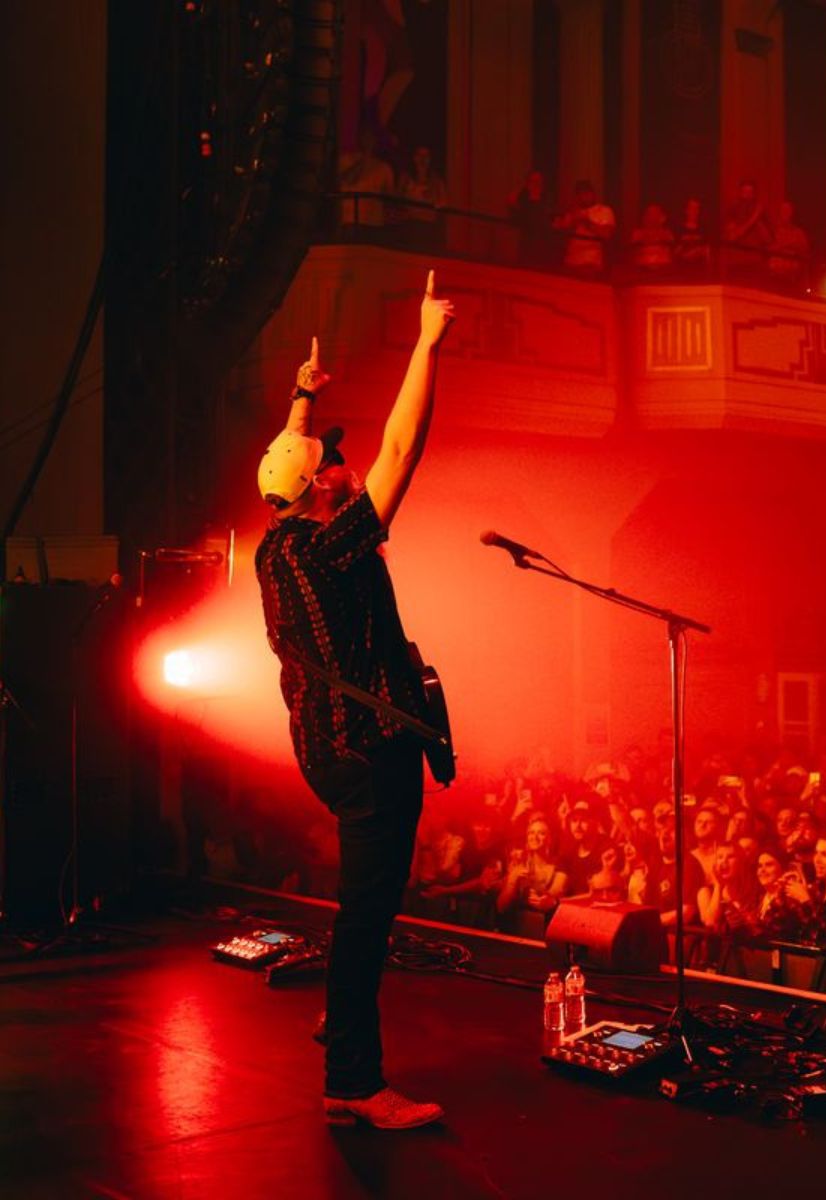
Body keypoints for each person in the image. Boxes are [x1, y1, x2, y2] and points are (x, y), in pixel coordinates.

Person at [255, 272, 455, 1129]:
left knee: (363, 900)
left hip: (327, 749)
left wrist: (302, 401)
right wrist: (425, 344)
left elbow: (283, 471)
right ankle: (353, 1082)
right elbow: (404, 450)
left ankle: (342, 1020)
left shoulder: (277, 544)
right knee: (369, 908)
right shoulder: (332, 551)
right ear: (324, 490)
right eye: (333, 460)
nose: (345, 461)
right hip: (369, 748)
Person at [553, 180, 615, 276]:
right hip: (569, 263)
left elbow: (607, 234)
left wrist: (586, 221)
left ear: (593, 194)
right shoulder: (571, 212)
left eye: (586, 192)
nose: (584, 196)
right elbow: (559, 232)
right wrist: (572, 221)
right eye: (580, 193)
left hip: (590, 265)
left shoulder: (604, 211)